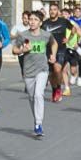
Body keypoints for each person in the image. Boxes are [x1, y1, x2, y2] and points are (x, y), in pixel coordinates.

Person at [13, 10, 55, 138]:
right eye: (30, 19)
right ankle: (36, 120)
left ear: (40, 22)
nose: (32, 22)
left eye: (35, 20)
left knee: (38, 95)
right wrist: (22, 50)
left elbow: (54, 44)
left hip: (42, 69)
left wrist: (53, 55)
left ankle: (38, 124)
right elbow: (14, 50)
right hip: (28, 71)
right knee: (32, 98)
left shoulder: (46, 35)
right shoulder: (23, 35)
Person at [42, 3, 71, 103]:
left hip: (61, 50)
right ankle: (54, 89)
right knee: (51, 74)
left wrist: (69, 39)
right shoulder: (45, 24)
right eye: (51, 9)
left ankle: (58, 88)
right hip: (48, 50)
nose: (52, 11)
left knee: (57, 69)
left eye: (54, 9)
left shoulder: (63, 21)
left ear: (58, 11)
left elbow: (74, 29)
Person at [13, 12, 31, 79]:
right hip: (21, 51)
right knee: (23, 68)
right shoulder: (18, 27)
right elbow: (11, 36)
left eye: (27, 18)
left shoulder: (32, 26)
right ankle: (26, 82)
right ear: (22, 18)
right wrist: (17, 35)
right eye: (24, 18)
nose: (26, 20)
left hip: (30, 51)